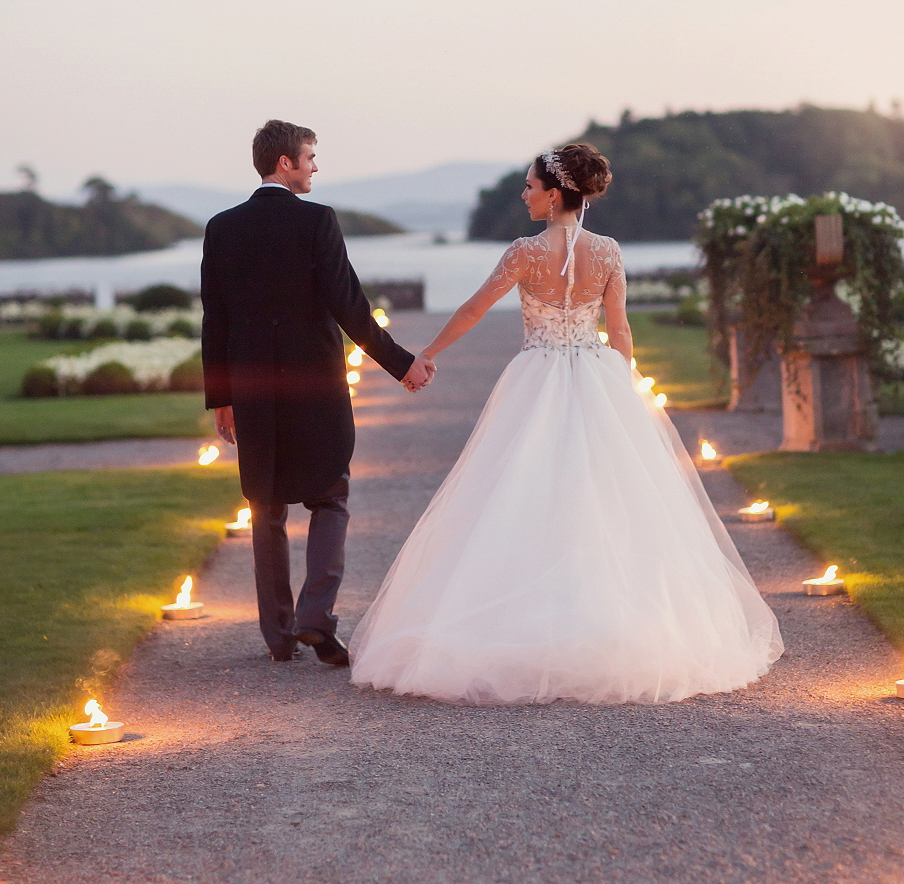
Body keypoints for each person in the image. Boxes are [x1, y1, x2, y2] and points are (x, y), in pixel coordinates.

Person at [350, 142, 783, 704]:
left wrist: (425, 353)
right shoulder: (607, 252)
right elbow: (620, 329)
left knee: (520, 490)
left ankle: (536, 619)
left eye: (529, 186)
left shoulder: (524, 253)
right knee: (603, 496)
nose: (523, 195)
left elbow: (476, 309)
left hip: (537, 375)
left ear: (554, 194)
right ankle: (604, 620)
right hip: (596, 374)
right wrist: (621, 386)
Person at [201, 119, 435, 666]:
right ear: (285, 163)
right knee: (330, 496)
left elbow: (216, 320)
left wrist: (222, 398)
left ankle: (279, 636)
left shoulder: (222, 227)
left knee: (266, 506)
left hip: (253, 388)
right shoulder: (317, 221)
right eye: (309, 157)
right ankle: (315, 617)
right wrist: (402, 365)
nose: (314, 167)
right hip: (315, 385)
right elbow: (349, 305)